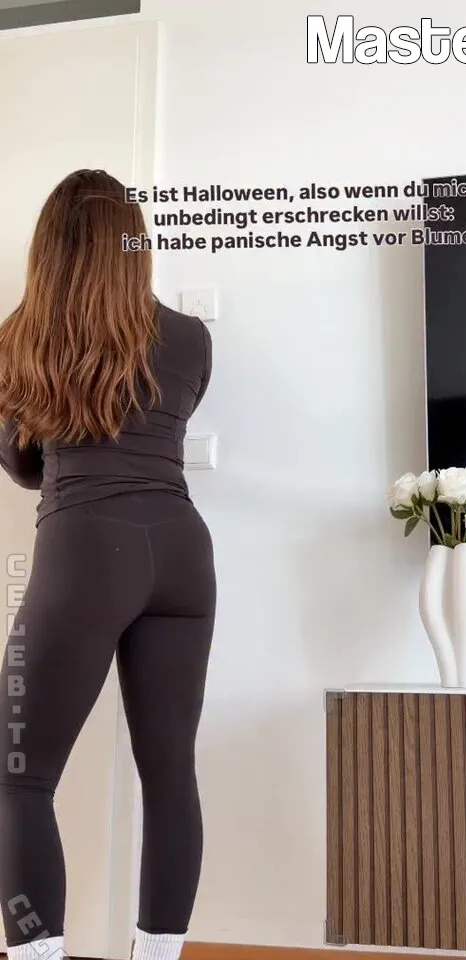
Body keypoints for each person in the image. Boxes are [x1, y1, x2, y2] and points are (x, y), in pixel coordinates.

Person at [0, 170, 216, 960]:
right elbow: (163, 422)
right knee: (169, 773)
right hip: (184, 553)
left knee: (18, 777)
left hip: (87, 550)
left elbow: (23, 466)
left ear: (49, 249)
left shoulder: (19, 337)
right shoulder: (191, 337)